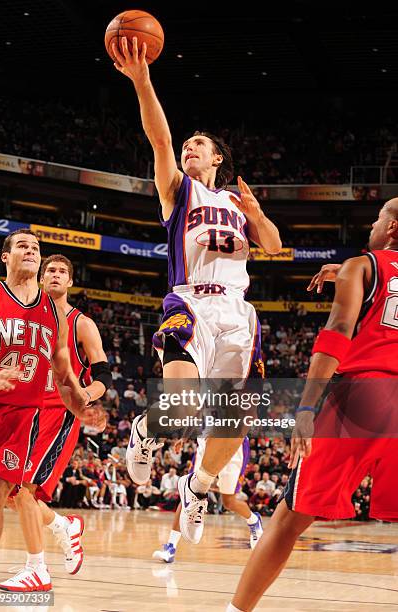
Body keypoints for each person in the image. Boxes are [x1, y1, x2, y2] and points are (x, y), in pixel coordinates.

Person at [112, 36, 281, 545]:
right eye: (187, 144)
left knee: (237, 418)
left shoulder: (237, 200)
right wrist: (143, 82)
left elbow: (272, 246)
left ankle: (197, 485)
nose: (188, 148)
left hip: (238, 311)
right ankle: (143, 431)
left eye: (198, 145)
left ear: (218, 158)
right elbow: (159, 141)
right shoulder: (180, 191)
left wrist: (255, 215)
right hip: (189, 300)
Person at [228, 199, 398, 611]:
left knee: (290, 517)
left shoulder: (365, 264)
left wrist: (305, 409)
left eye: (378, 219)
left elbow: (339, 330)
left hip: (366, 394)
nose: (372, 226)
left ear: (392, 228)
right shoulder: (356, 270)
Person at [0, 253, 111, 592]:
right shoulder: (25, 315)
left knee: (23, 490)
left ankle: (37, 569)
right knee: (5, 492)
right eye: (51, 270)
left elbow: (103, 372)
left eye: (63, 271)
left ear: (71, 281)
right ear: (42, 277)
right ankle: (63, 525)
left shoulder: (80, 322)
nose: (56, 275)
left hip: (56, 413)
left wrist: (86, 397)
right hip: (21, 411)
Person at [153, 437, 263, 563]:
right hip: (208, 439)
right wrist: (185, 436)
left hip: (235, 442)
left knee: (228, 502)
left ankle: (253, 520)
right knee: (190, 493)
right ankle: (170, 547)